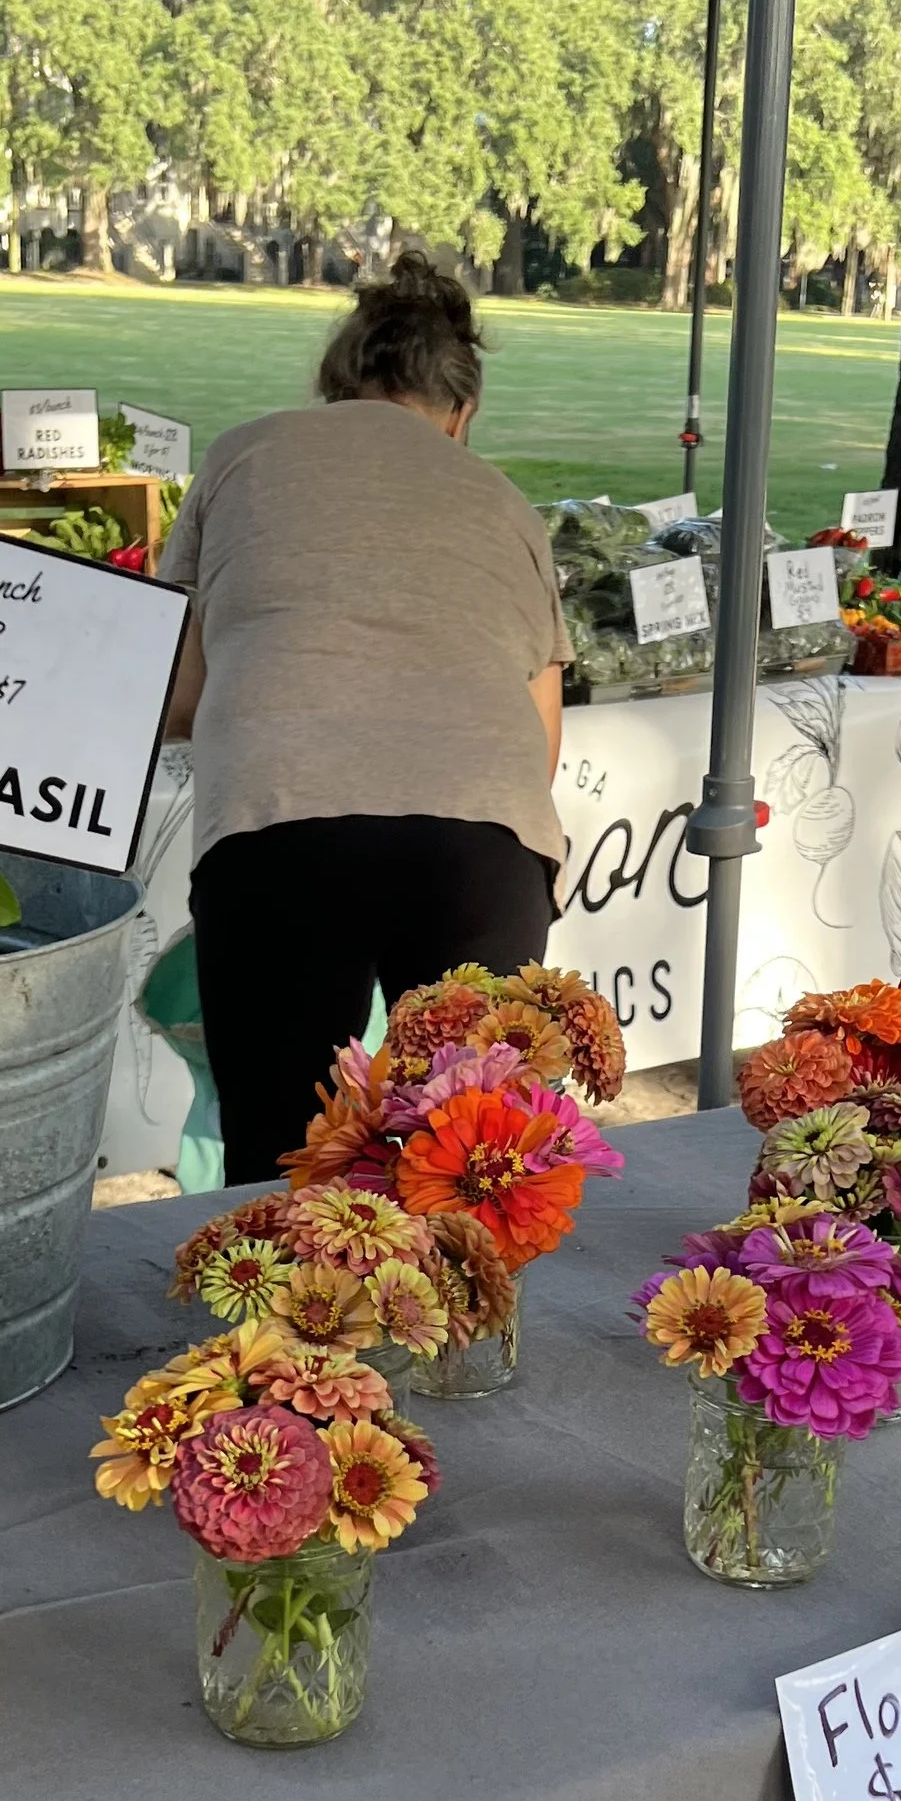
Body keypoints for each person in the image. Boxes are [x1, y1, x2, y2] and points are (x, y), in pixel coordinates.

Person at [157, 253, 571, 1180]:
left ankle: (284, 1326)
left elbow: (180, 691)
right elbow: (540, 742)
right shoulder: (506, 503)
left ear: (334, 387)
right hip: (483, 842)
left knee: (279, 1155)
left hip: (282, 823)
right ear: (462, 411)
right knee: (472, 1163)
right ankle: (458, 1328)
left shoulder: (243, 454)